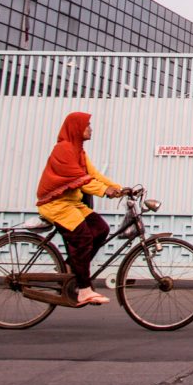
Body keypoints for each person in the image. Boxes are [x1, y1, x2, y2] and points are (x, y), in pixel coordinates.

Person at [35, 111, 126, 306]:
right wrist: (105, 191)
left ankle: (69, 268)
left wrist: (119, 189)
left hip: (71, 203)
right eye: (87, 125)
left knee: (101, 229)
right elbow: (81, 180)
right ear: (76, 128)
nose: (90, 129)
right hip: (55, 204)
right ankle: (84, 289)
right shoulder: (64, 149)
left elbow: (94, 175)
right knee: (83, 239)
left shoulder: (80, 152)